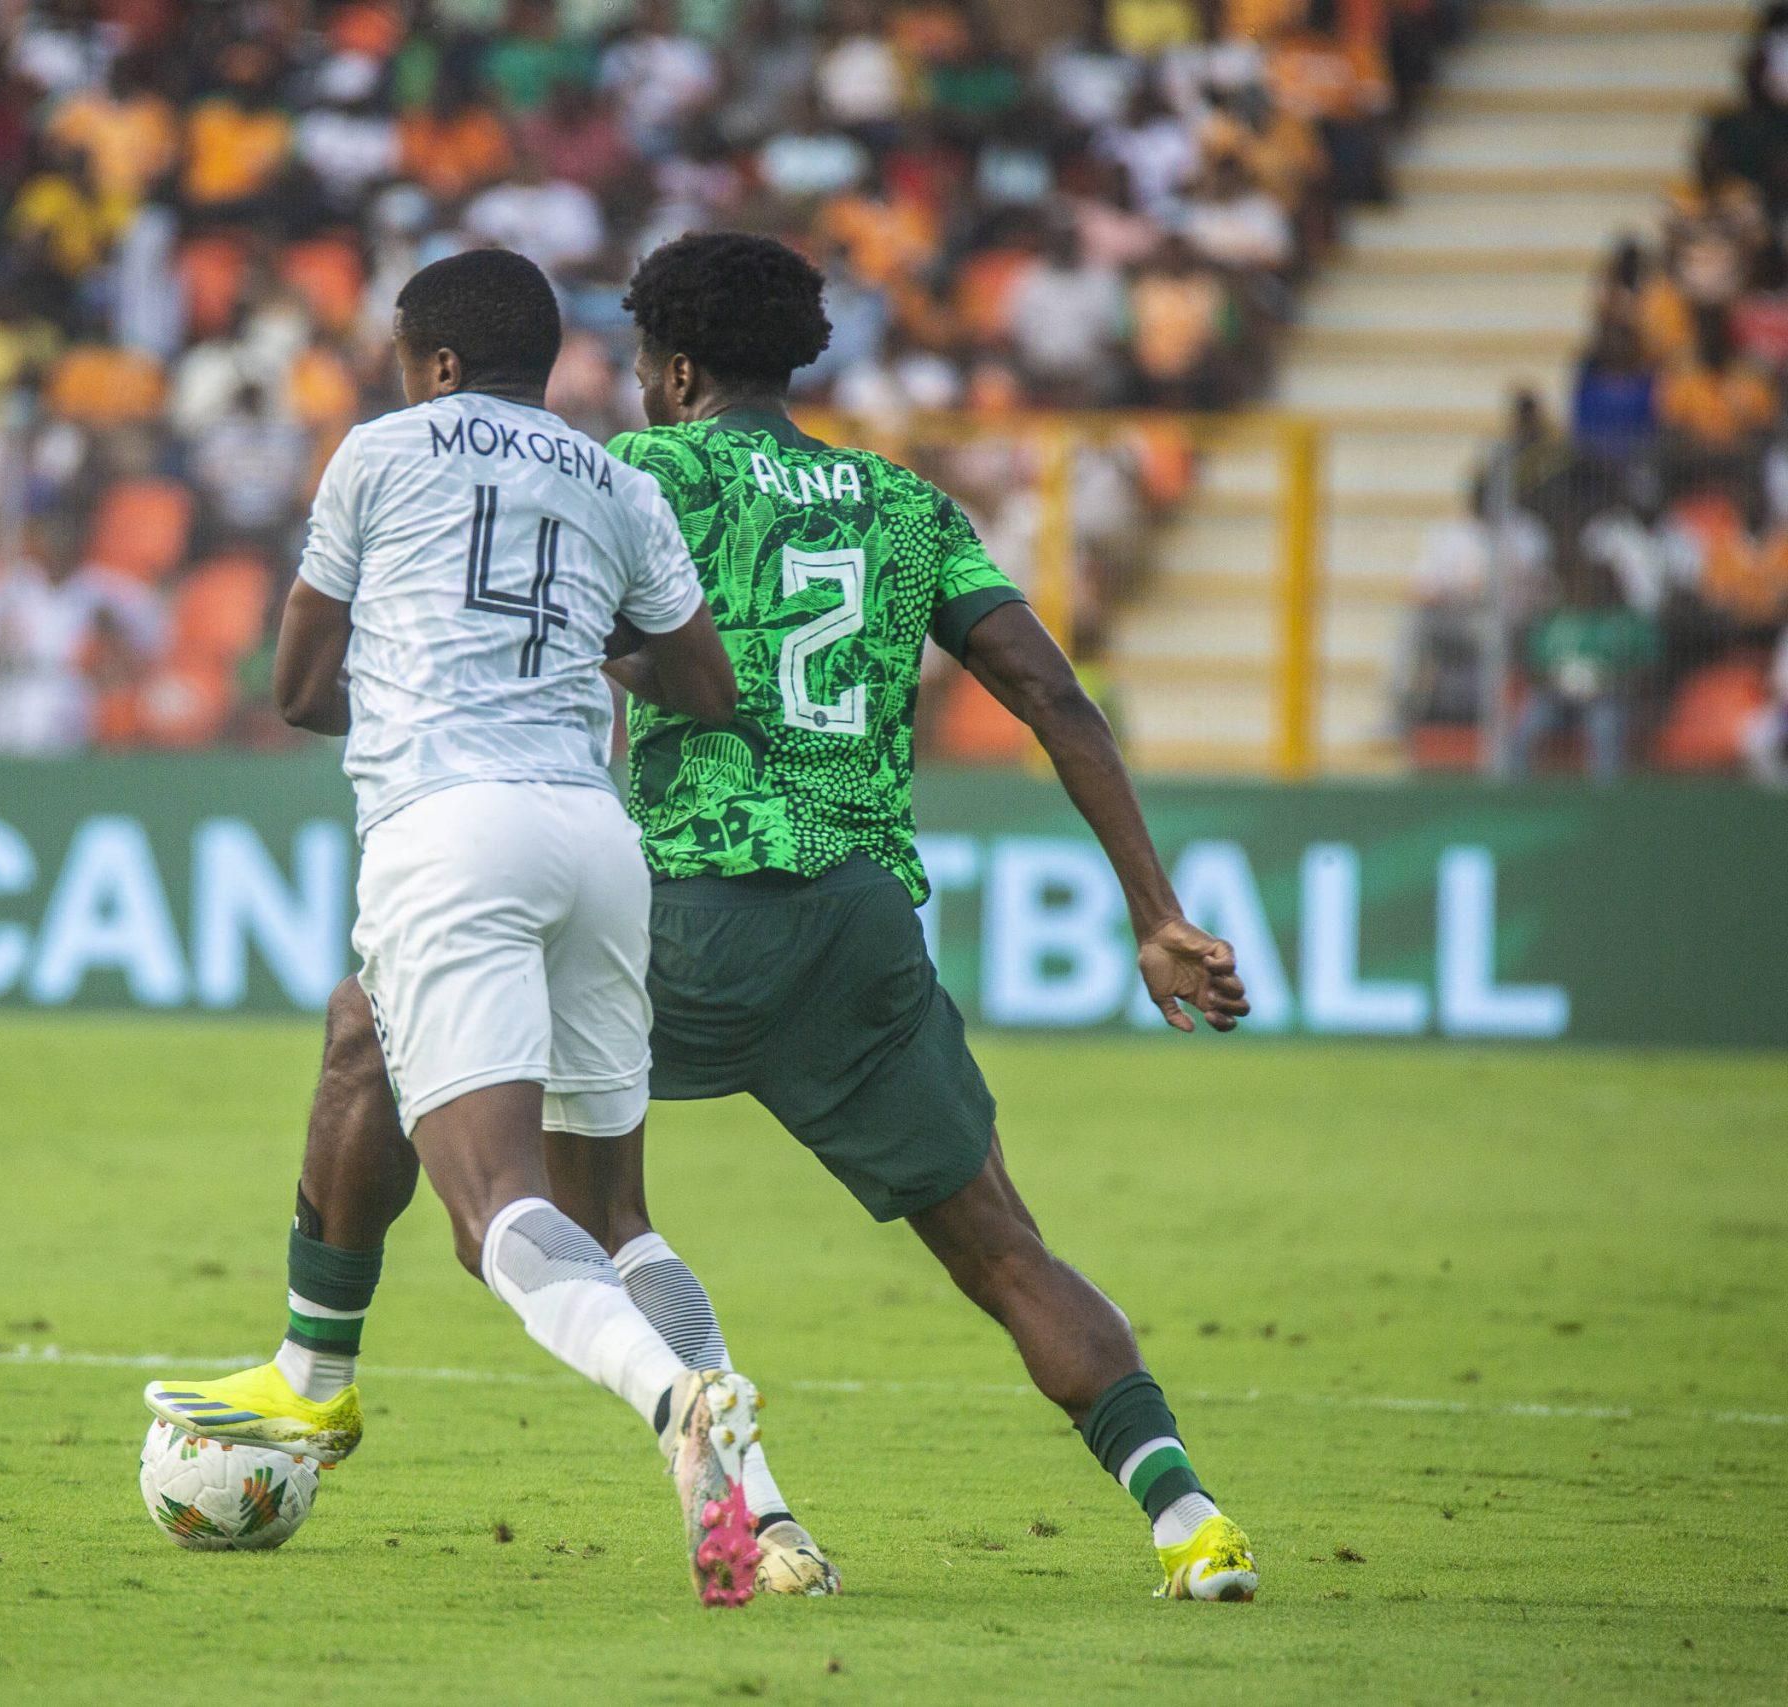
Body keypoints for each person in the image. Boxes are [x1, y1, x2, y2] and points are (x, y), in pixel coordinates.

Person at [156, 234, 1263, 1606]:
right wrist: (1154, 910)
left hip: (673, 903)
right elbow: (1051, 693)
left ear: (672, 370)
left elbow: (563, 637)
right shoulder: (901, 505)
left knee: (424, 1090)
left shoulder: (640, 478)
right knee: (1000, 1246)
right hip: (856, 925)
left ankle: (357, 1381)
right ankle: (1190, 1519)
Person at [142, 249, 773, 1607]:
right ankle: (764, 1512)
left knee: (496, 1215)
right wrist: (561, 647)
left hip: (450, 827)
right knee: (603, 1205)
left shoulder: (380, 452)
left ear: (431, 364)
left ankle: (678, 1401)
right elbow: (706, 686)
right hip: (594, 839)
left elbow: (302, 688)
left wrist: (435, 663)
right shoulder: (619, 476)